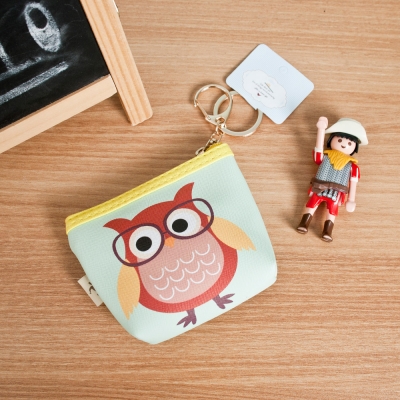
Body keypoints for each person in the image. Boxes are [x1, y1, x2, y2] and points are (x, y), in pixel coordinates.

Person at [296, 117, 368, 242]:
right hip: (319, 187)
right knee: (311, 205)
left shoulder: (353, 167)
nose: (344, 144)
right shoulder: (325, 156)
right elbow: (317, 154)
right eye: (339, 140)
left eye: (350, 143)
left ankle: (327, 231)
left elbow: (353, 183)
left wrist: (351, 200)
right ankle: (304, 223)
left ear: (355, 147)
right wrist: (321, 130)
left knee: (332, 211)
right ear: (331, 140)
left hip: (336, 193)